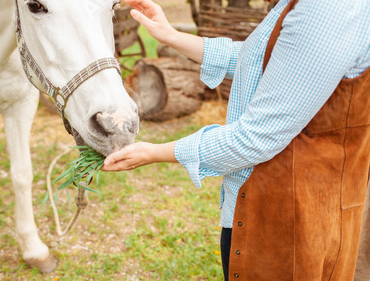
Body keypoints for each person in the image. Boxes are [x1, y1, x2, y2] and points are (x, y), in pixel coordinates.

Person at [102, 0, 370, 280]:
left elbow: (256, 137)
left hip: (289, 224)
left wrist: (156, 152)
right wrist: (172, 36)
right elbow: (267, 60)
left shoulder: (330, 7)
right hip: (274, 210)